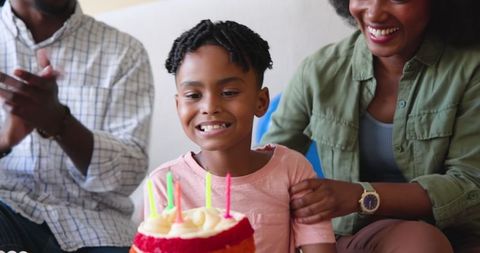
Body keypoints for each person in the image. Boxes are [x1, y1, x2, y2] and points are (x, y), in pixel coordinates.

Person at [261, 0, 480, 252]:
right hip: (347, 238)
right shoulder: (319, 71)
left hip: (456, 236)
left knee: (422, 242)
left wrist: (359, 196)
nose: (374, 13)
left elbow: (470, 183)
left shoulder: (471, 70)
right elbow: (269, 169)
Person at [147, 19, 337, 253]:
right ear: (178, 105)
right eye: (193, 95)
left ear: (261, 102)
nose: (209, 106)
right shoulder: (165, 184)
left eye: (228, 92)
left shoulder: (291, 170)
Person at [0, 0, 154, 252]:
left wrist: (60, 123)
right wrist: (5, 140)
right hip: (7, 213)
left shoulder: (125, 52)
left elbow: (129, 174)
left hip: (97, 229)